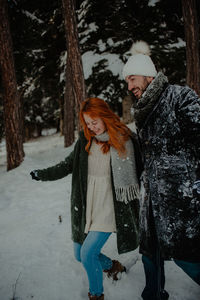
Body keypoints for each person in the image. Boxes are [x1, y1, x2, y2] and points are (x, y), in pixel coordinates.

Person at [30, 97, 143, 300]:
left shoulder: (123, 139)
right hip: (86, 204)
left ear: (105, 116)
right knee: (79, 254)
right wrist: (43, 174)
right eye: (88, 123)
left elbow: (141, 168)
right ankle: (113, 267)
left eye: (95, 121)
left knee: (88, 254)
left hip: (109, 205)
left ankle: (96, 295)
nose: (92, 127)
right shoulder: (85, 139)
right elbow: (67, 165)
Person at [122, 40, 200, 300]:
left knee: (186, 257)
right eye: (127, 82)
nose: (130, 86)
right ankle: (153, 295)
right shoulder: (141, 111)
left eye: (133, 79)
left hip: (180, 197)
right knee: (150, 253)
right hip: (152, 198)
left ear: (149, 75)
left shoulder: (180, 96)